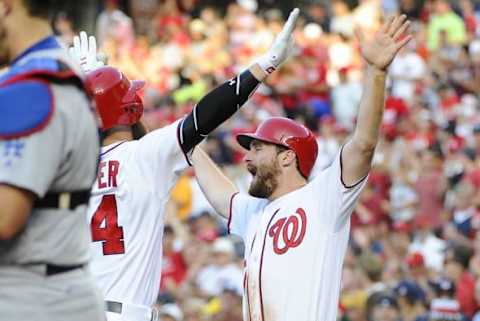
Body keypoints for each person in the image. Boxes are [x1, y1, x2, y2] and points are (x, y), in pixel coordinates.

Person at [68, 8, 300, 321]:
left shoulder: (72, 168)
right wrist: (264, 65)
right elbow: (204, 116)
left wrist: (88, 93)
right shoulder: (145, 156)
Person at [191, 15, 412, 321]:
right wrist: (185, 139)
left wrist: (375, 72)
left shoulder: (323, 198)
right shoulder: (255, 212)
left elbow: (363, 145)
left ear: (287, 156)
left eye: (258, 148)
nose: (247, 158)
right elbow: (222, 195)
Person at [0, 1, 105, 321]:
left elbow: (5, 217)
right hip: (53, 289)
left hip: (29, 298)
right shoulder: (59, 71)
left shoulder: (30, 88)